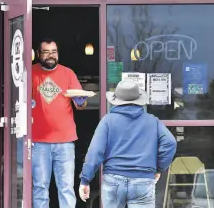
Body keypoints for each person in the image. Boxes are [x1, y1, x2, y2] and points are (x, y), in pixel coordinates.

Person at [78, 80, 177, 208]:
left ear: (116, 100)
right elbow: (170, 143)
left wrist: (85, 180)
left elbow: (95, 152)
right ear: (139, 99)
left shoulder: (108, 121)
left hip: (114, 179)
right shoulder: (153, 121)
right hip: (143, 180)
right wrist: (159, 168)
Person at [32, 38, 88, 208]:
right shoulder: (30, 73)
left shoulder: (68, 73)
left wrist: (80, 99)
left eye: (54, 52)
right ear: (38, 54)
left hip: (65, 141)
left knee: (66, 188)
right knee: (40, 187)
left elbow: (81, 106)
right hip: (38, 141)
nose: (51, 55)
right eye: (46, 52)